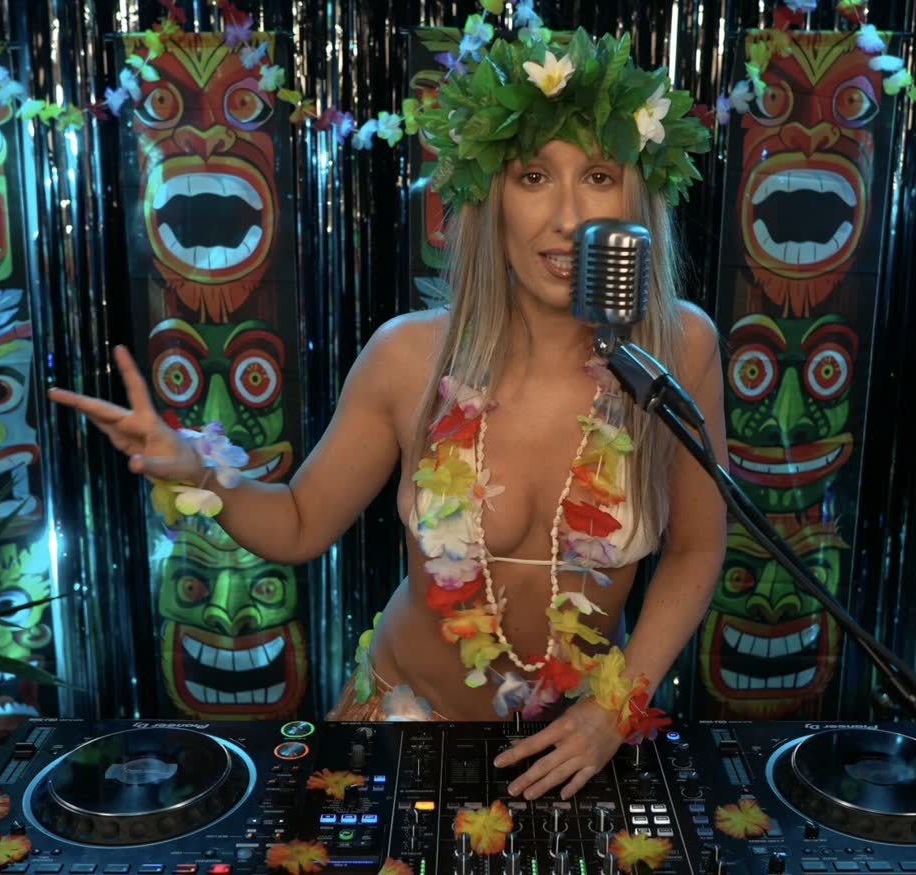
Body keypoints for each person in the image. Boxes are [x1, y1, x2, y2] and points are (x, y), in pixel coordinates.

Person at [48, 28, 724, 801]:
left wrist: (613, 707)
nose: (567, 217)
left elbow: (697, 547)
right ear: (491, 198)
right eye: (534, 176)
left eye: (599, 176)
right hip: (404, 721)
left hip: (582, 741)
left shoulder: (679, 349)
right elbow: (299, 522)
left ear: (637, 200)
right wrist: (196, 470)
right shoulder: (409, 357)